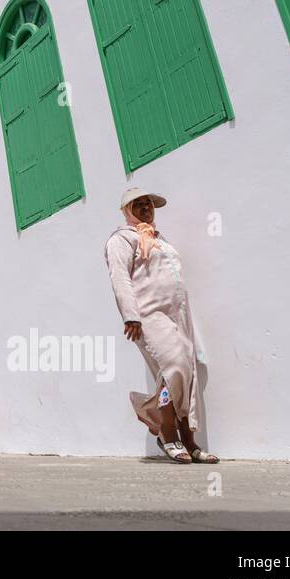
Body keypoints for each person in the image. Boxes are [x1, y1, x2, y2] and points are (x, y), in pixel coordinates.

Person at [104, 187, 219, 465]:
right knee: (173, 368)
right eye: (138, 204)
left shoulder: (159, 239)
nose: (145, 208)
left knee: (185, 374)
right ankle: (167, 433)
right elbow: (120, 277)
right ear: (127, 210)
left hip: (177, 315)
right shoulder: (121, 239)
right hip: (149, 315)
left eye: (148, 204)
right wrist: (130, 315)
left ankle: (189, 441)